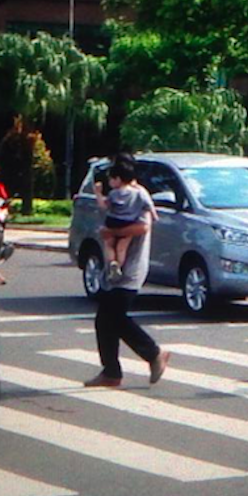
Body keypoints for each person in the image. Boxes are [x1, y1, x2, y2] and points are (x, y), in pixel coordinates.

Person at [84, 155, 170, 388]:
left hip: (130, 269)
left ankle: (154, 353)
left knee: (114, 317)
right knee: (105, 320)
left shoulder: (138, 195)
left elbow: (143, 226)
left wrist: (110, 234)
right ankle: (111, 372)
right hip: (114, 271)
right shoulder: (120, 194)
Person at [94, 159, 159, 282]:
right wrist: (154, 216)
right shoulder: (138, 193)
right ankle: (119, 266)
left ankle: (112, 262)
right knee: (122, 247)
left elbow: (103, 206)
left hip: (112, 222)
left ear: (118, 179)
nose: (110, 182)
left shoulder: (113, 193)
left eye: (110, 179)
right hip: (129, 222)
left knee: (109, 244)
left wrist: (98, 193)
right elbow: (148, 204)